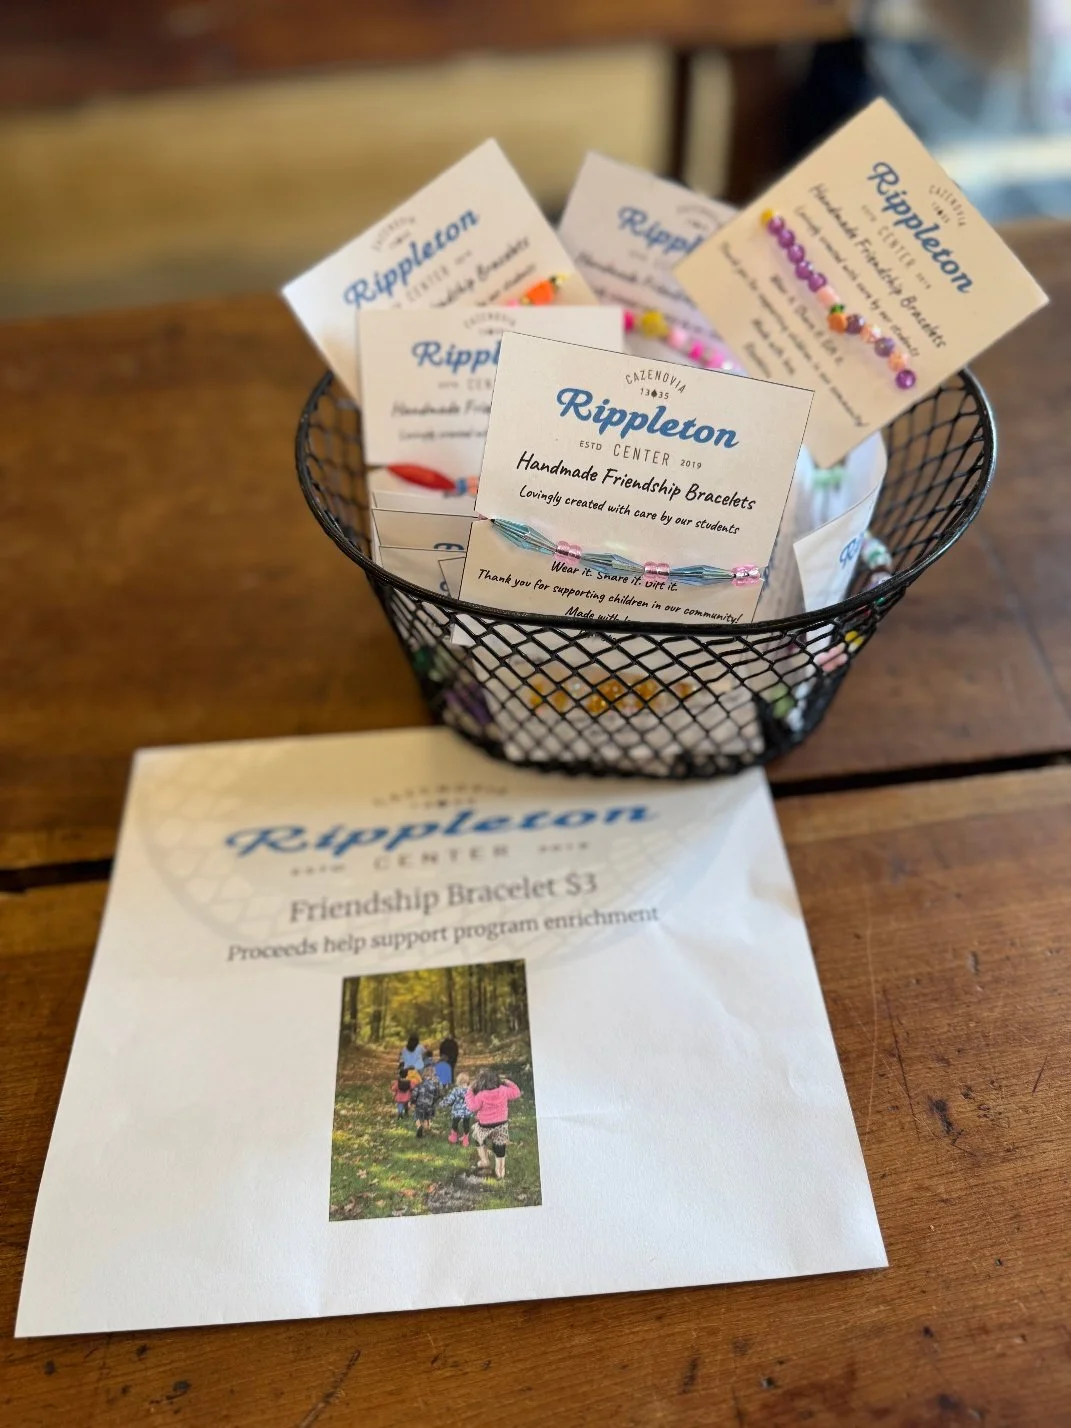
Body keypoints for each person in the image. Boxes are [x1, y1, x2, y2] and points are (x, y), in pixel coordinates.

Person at [465, 1068, 521, 1179]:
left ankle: (484, 1160)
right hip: (501, 1124)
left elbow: (472, 1107)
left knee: (478, 1137)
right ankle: (500, 1171)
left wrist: (469, 1091)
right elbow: (516, 1093)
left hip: (484, 1124)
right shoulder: (503, 1090)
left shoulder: (481, 1095)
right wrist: (507, 1081)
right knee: (500, 1145)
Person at [440, 1073, 472, 1145]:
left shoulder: (456, 1090)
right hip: (467, 1111)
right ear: (467, 1081)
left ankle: (453, 1137)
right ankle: (465, 1140)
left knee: (454, 1123)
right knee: (466, 1125)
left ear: (458, 1081)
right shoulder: (470, 1091)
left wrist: (443, 1104)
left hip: (457, 1112)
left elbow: (450, 1100)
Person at [410, 1063, 441, 1138]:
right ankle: (426, 1128)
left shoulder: (420, 1084)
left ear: (424, 1074)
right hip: (430, 1105)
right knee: (427, 1117)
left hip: (419, 1104)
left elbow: (414, 1094)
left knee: (417, 1117)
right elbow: (438, 1095)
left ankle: (419, 1126)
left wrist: (413, 1102)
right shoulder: (435, 1085)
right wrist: (434, 1102)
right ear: (433, 1075)